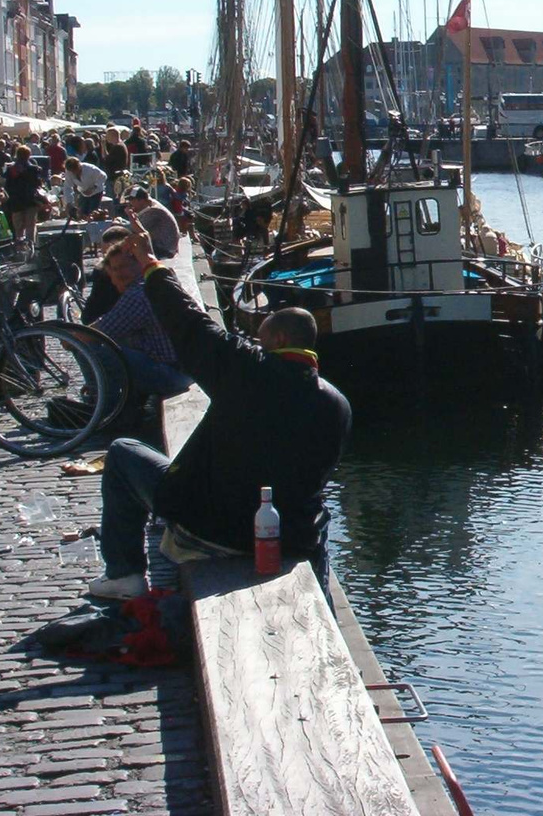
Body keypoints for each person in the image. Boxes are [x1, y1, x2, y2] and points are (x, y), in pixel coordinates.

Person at [89, 220, 352, 601]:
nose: (253, 341)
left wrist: (151, 264)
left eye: (261, 335)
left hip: (212, 524)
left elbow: (190, 325)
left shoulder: (248, 370)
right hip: (286, 533)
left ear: (278, 340)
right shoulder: (338, 404)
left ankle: (124, 573)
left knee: (121, 454)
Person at [90, 237, 192, 401]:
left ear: (138, 264)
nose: (118, 274)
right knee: (119, 344)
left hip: (173, 375)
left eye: (123, 267)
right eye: (114, 269)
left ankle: (105, 408)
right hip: (187, 369)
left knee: (93, 349)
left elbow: (100, 330)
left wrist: (69, 337)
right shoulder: (152, 281)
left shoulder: (138, 293)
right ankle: (120, 403)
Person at [80, 225, 132, 322]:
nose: (108, 262)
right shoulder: (102, 273)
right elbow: (90, 314)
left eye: (112, 254)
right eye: (105, 255)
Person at [2, 144, 43, 246]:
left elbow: (6, 185)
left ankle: (20, 248)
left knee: (18, 228)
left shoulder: (10, 169)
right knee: (30, 226)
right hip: (30, 200)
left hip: (15, 202)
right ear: (29, 155)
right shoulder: (34, 169)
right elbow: (38, 184)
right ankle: (31, 247)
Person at [124, 185, 180, 259]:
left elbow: (136, 229)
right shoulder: (151, 206)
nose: (131, 204)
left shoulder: (154, 211)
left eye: (132, 201)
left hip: (165, 249)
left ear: (141, 200)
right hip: (164, 246)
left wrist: (128, 216)